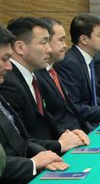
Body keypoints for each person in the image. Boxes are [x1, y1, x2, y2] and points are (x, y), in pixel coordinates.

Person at [1, 18, 88, 154]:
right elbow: (21, 140)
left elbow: (47, 120)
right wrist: (59, 145)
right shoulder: (9, 82)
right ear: (19, 48)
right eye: (44, 43)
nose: (49, 49)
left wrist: (69, 134)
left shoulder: (35, 76)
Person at [0, 26, 69, 183]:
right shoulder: (9, 84)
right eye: (4, 59)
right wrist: (32, 164)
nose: (9, 66)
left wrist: (46, 155)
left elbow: (20, 140)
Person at [35, 18, 92, 133]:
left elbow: (70, 110)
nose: (65, 45)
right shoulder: (38, 76)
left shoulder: (52, 71)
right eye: (61, 40)